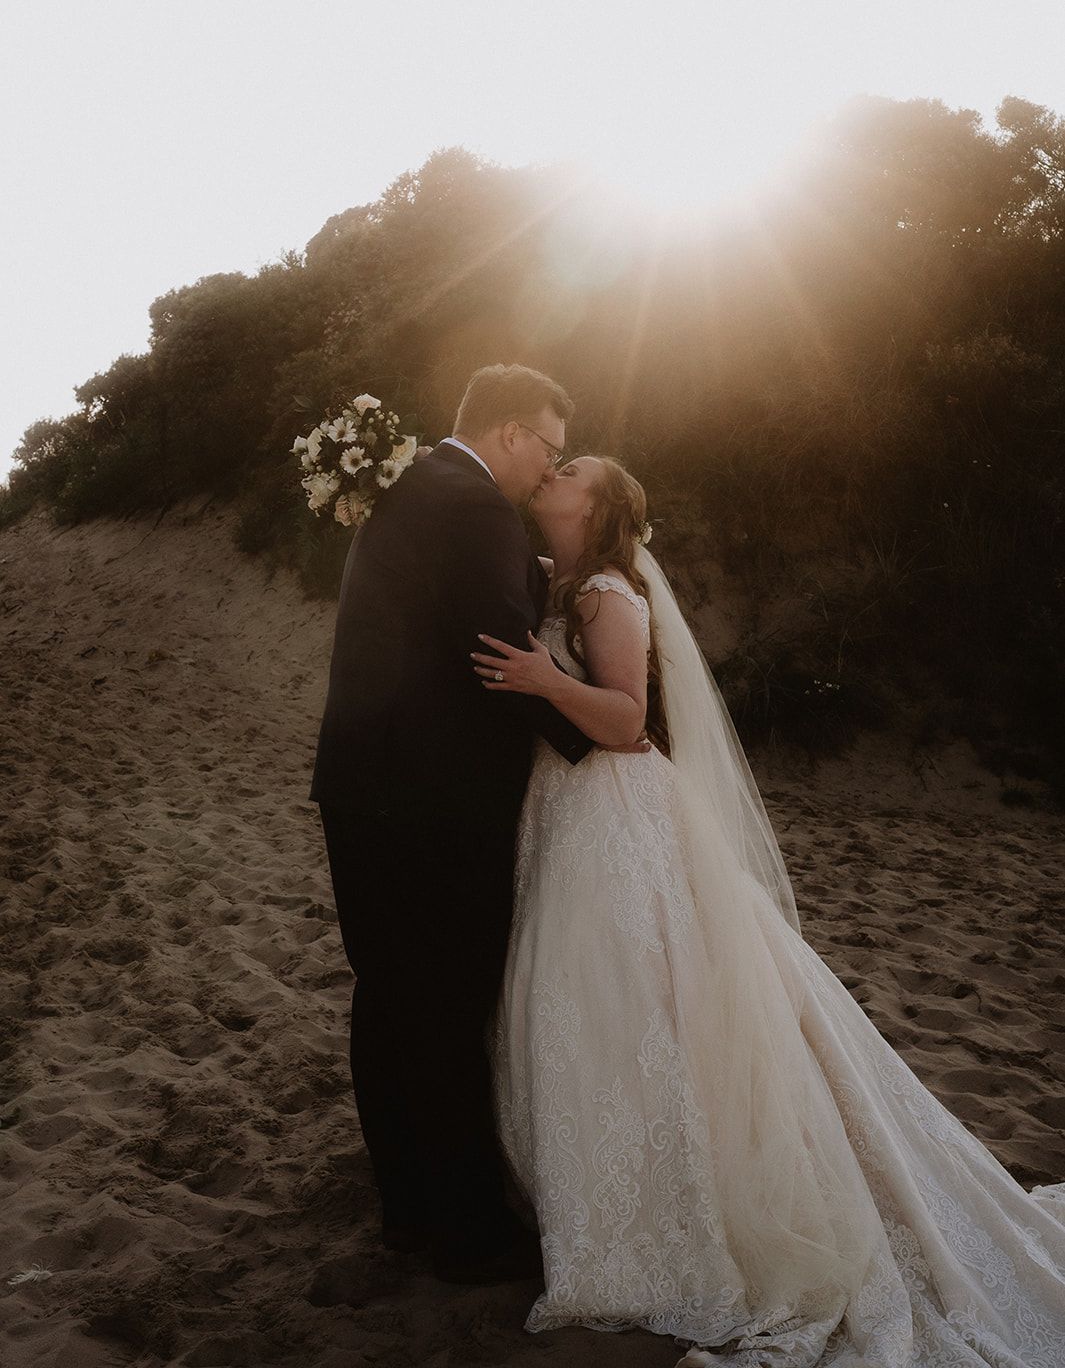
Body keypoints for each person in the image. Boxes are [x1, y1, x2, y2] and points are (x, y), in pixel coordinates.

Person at [473, 454, 1065, 1366]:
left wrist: (543, 682)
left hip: (616, 809)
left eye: (573, 467)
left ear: (597, 505)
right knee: (595, 995)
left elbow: (628, 720)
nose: (554, 469)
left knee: (635, 991)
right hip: (569, 810)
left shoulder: (603, 592)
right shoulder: (556, 581)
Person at [309, 365, 647, 1285]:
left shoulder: (414, 488)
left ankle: (407, 1210)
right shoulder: (476, 510)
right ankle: (465, 1230)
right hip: (433, 804)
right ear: (506, 433)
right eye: (543, 445)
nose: (545, 468)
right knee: (450, 1006)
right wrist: (607, 751)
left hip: (361, 786)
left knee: (386, 997)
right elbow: (499, 656)